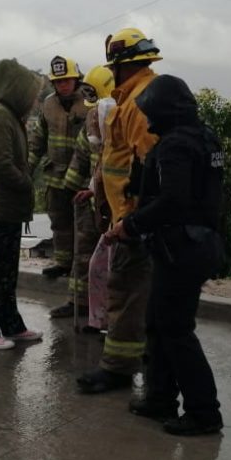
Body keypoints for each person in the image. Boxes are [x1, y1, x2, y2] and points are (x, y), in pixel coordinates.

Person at [106, 74, 225, 435]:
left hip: (181, 249)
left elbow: (172, 201)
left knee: (175, 329)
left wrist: (130, 225)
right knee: (158, 322)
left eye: (151, 112)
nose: (148, 119)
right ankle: (160, 397)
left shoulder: (175, 146)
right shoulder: (204, 138)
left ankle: (204, 412)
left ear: (165, 111)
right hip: (194, 244)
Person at [76, 29, 160, 394]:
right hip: (124, 213)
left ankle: (117, 369)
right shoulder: (134, 99)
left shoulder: (139, 104)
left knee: (125, 290)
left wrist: (131, 219)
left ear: (123, 67)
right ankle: (133, 360)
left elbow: (147, 168)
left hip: (132, 217)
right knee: (132, 289)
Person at [0, 59, 44, 351]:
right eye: (29, 93)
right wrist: (27, 183)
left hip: (7, 207)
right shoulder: (0, 116)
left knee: (6, 273)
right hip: (0, 206)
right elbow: (2, 165)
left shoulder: (6, 113)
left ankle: (11, 325)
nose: (32, 100)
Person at [28, 55, 89, 314]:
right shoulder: (48, 105)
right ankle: (63, 263)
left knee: (82, 229)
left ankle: (77, 270)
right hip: (54, 176)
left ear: (76, 79)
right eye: (58, 81)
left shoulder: (89, 103)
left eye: (67, 80)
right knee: (59, 223)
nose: (63, 85)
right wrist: (26, 169)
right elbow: (38, 140)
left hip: (81, 179)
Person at [64, 65, 116, 332]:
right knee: (91, 259)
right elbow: (86, 156)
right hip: (97, 200)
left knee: (111, 265)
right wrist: (78, 188)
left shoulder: (123, 120)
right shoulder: (94, 118)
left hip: (121, 207)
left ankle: (109, 322)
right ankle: (92, 315)